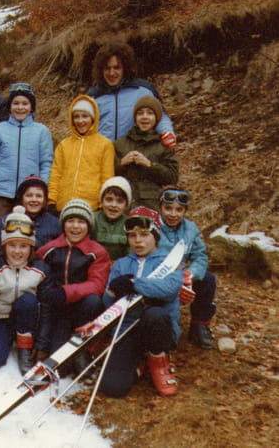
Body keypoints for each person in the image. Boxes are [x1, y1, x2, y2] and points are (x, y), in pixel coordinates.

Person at [99, 206, 183, 398]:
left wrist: (135, 283)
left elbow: (168, 289)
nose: (138, 240)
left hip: (159, 329)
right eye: (132, 236)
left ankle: (159, 360)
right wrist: (112, 292)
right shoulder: (122, 264)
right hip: (127, 330)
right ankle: (142, 364)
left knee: (154, 313)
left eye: (144, 235)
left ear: (156, 236)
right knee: (113, 387)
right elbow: (108, 306)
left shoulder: (169, 261)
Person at [36, 199, 111, 373]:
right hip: (59, 310)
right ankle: (64, 345)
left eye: (81, 222)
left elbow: (97, 284)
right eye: (70, 221)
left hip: (83, 309)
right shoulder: (50, 249)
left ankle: (83, 346)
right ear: (63, 224)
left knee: (93, 300)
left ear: (89, 226)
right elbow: (37, 270)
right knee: (61, 369)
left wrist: (66, 292)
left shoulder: (96, 252)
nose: (75, 226)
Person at [0, 206, 47, 375]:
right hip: (2, 319)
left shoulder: (40, 269)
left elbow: (47, 309)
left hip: (28, 319)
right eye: (12, 245)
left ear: (31, 248)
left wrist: (42, 344)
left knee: (27, 300)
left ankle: (24, 345)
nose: (17, 251)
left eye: (23, 246)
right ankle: (7, 338)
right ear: (4, 246)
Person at [0, 82, 54, 237]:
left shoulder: (41, 131)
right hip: (2, 194)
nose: (20, 107)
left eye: (25, 103)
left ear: (31, 107)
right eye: (16, 103)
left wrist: (42, 190)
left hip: (29, 195)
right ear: (9, 106)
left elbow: (46, 164)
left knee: (27, 234)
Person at [157, 186, 216, 349]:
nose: (173, 214)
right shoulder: (151, 226)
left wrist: (190, 274)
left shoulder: (190, 229)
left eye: (179, 210)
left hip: (182, 275)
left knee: (208, 280)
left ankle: (200, 324)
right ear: (160, 208)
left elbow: (200, 256)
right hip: (157, 276)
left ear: (185, 211)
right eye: (168, 208)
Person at [87, 41, 176, 147]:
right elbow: (83, 127)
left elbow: (161, 116)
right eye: (107, 68)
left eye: (116, 68)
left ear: (125, 68)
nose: (112, 73)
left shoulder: (143, 90)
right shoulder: (93, 96)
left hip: (135, 152)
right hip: (103, 154)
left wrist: (167, 133)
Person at [47, 95, 114, 212]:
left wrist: (101, 204)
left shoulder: (105, 144)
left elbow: (107, 177)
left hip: (91, 207)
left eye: (85, 116)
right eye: (76, 117)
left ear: (93, 118)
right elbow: (55, 175)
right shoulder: (64, 145)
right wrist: (52, 200)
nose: (80, 121)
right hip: (64, 205)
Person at [114, 95, 179, 209]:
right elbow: (107, 174)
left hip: (152, 206)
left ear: (156, 118)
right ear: (135, 118)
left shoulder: (164, 146)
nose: (144, 117)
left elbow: (172, 178)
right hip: (124, 205)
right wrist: (121, 163)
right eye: (140, 113)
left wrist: (150, 165)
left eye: (150, 113)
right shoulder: (120, 144)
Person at [0, 175, 61, 253]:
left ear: (44, 199)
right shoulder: (5, 222)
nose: (34, 200)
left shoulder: (55, 224)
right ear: (21, 198)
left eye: (39, 196)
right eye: (29, 196)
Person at [92, 176, 133, 261]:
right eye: (109, 200)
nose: (113, 205)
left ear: (126, 205)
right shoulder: (93, 220)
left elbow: (131, 253)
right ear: (102, 201)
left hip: (120, 266)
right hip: (95, 264)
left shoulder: (129, 224)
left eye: (119, 201)